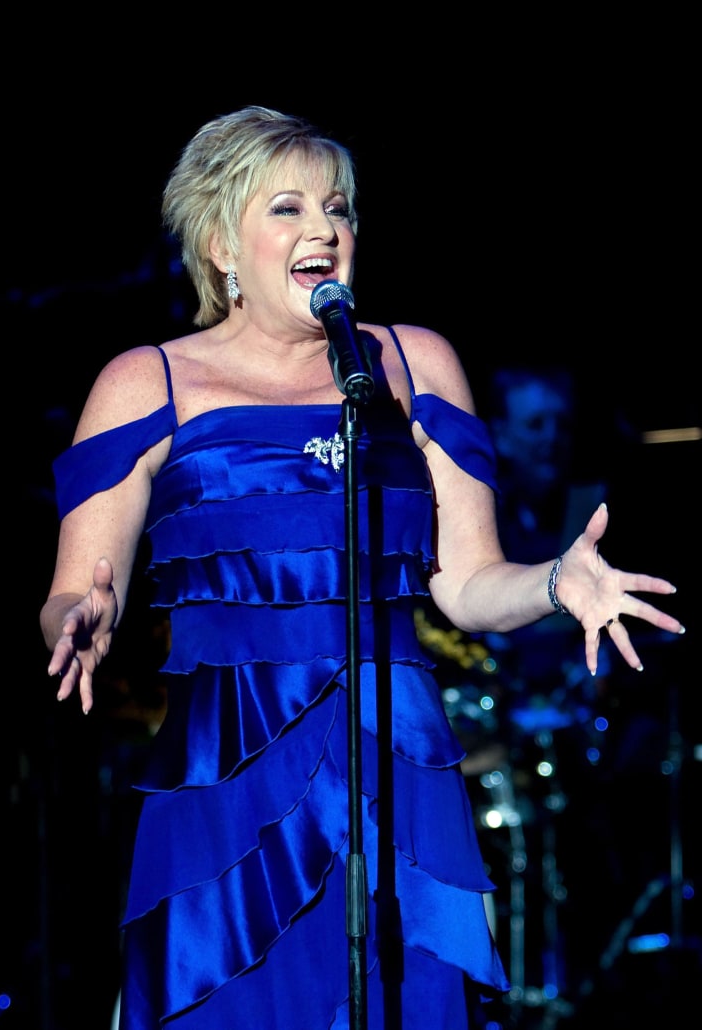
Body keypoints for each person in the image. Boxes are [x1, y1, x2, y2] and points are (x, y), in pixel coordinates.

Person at [39, 105, 685, 1030]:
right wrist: (77, 622)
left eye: (338, 211)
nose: (324, 232)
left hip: (393, 765)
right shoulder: (147, 381)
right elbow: (72, 589)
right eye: (288, 209)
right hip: (227, 779)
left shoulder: (413, 364)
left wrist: (552, 583)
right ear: (221, 244)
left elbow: (465, 586)